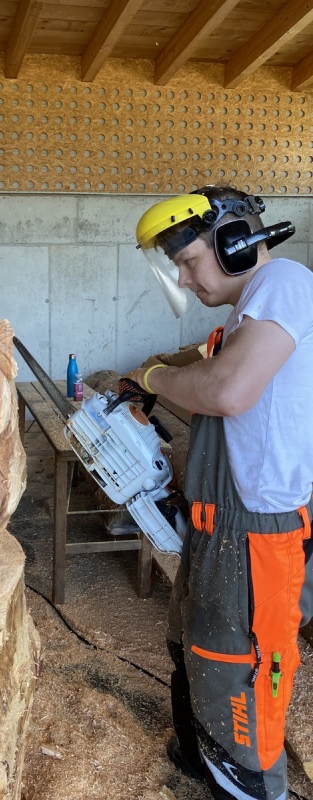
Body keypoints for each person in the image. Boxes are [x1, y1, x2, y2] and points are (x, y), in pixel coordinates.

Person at [128, 185, 313, 800]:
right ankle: (201, 756)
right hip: (220, 529)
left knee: (241, 673)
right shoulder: (244, 316)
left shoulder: (283, 281)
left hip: (255, 533)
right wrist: (156, 375)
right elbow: (215, 370)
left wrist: (156, 376)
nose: (184, 280)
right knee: (197, 648)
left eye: (188, 261)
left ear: (235, 242)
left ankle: (256, 787)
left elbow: (229, 391)